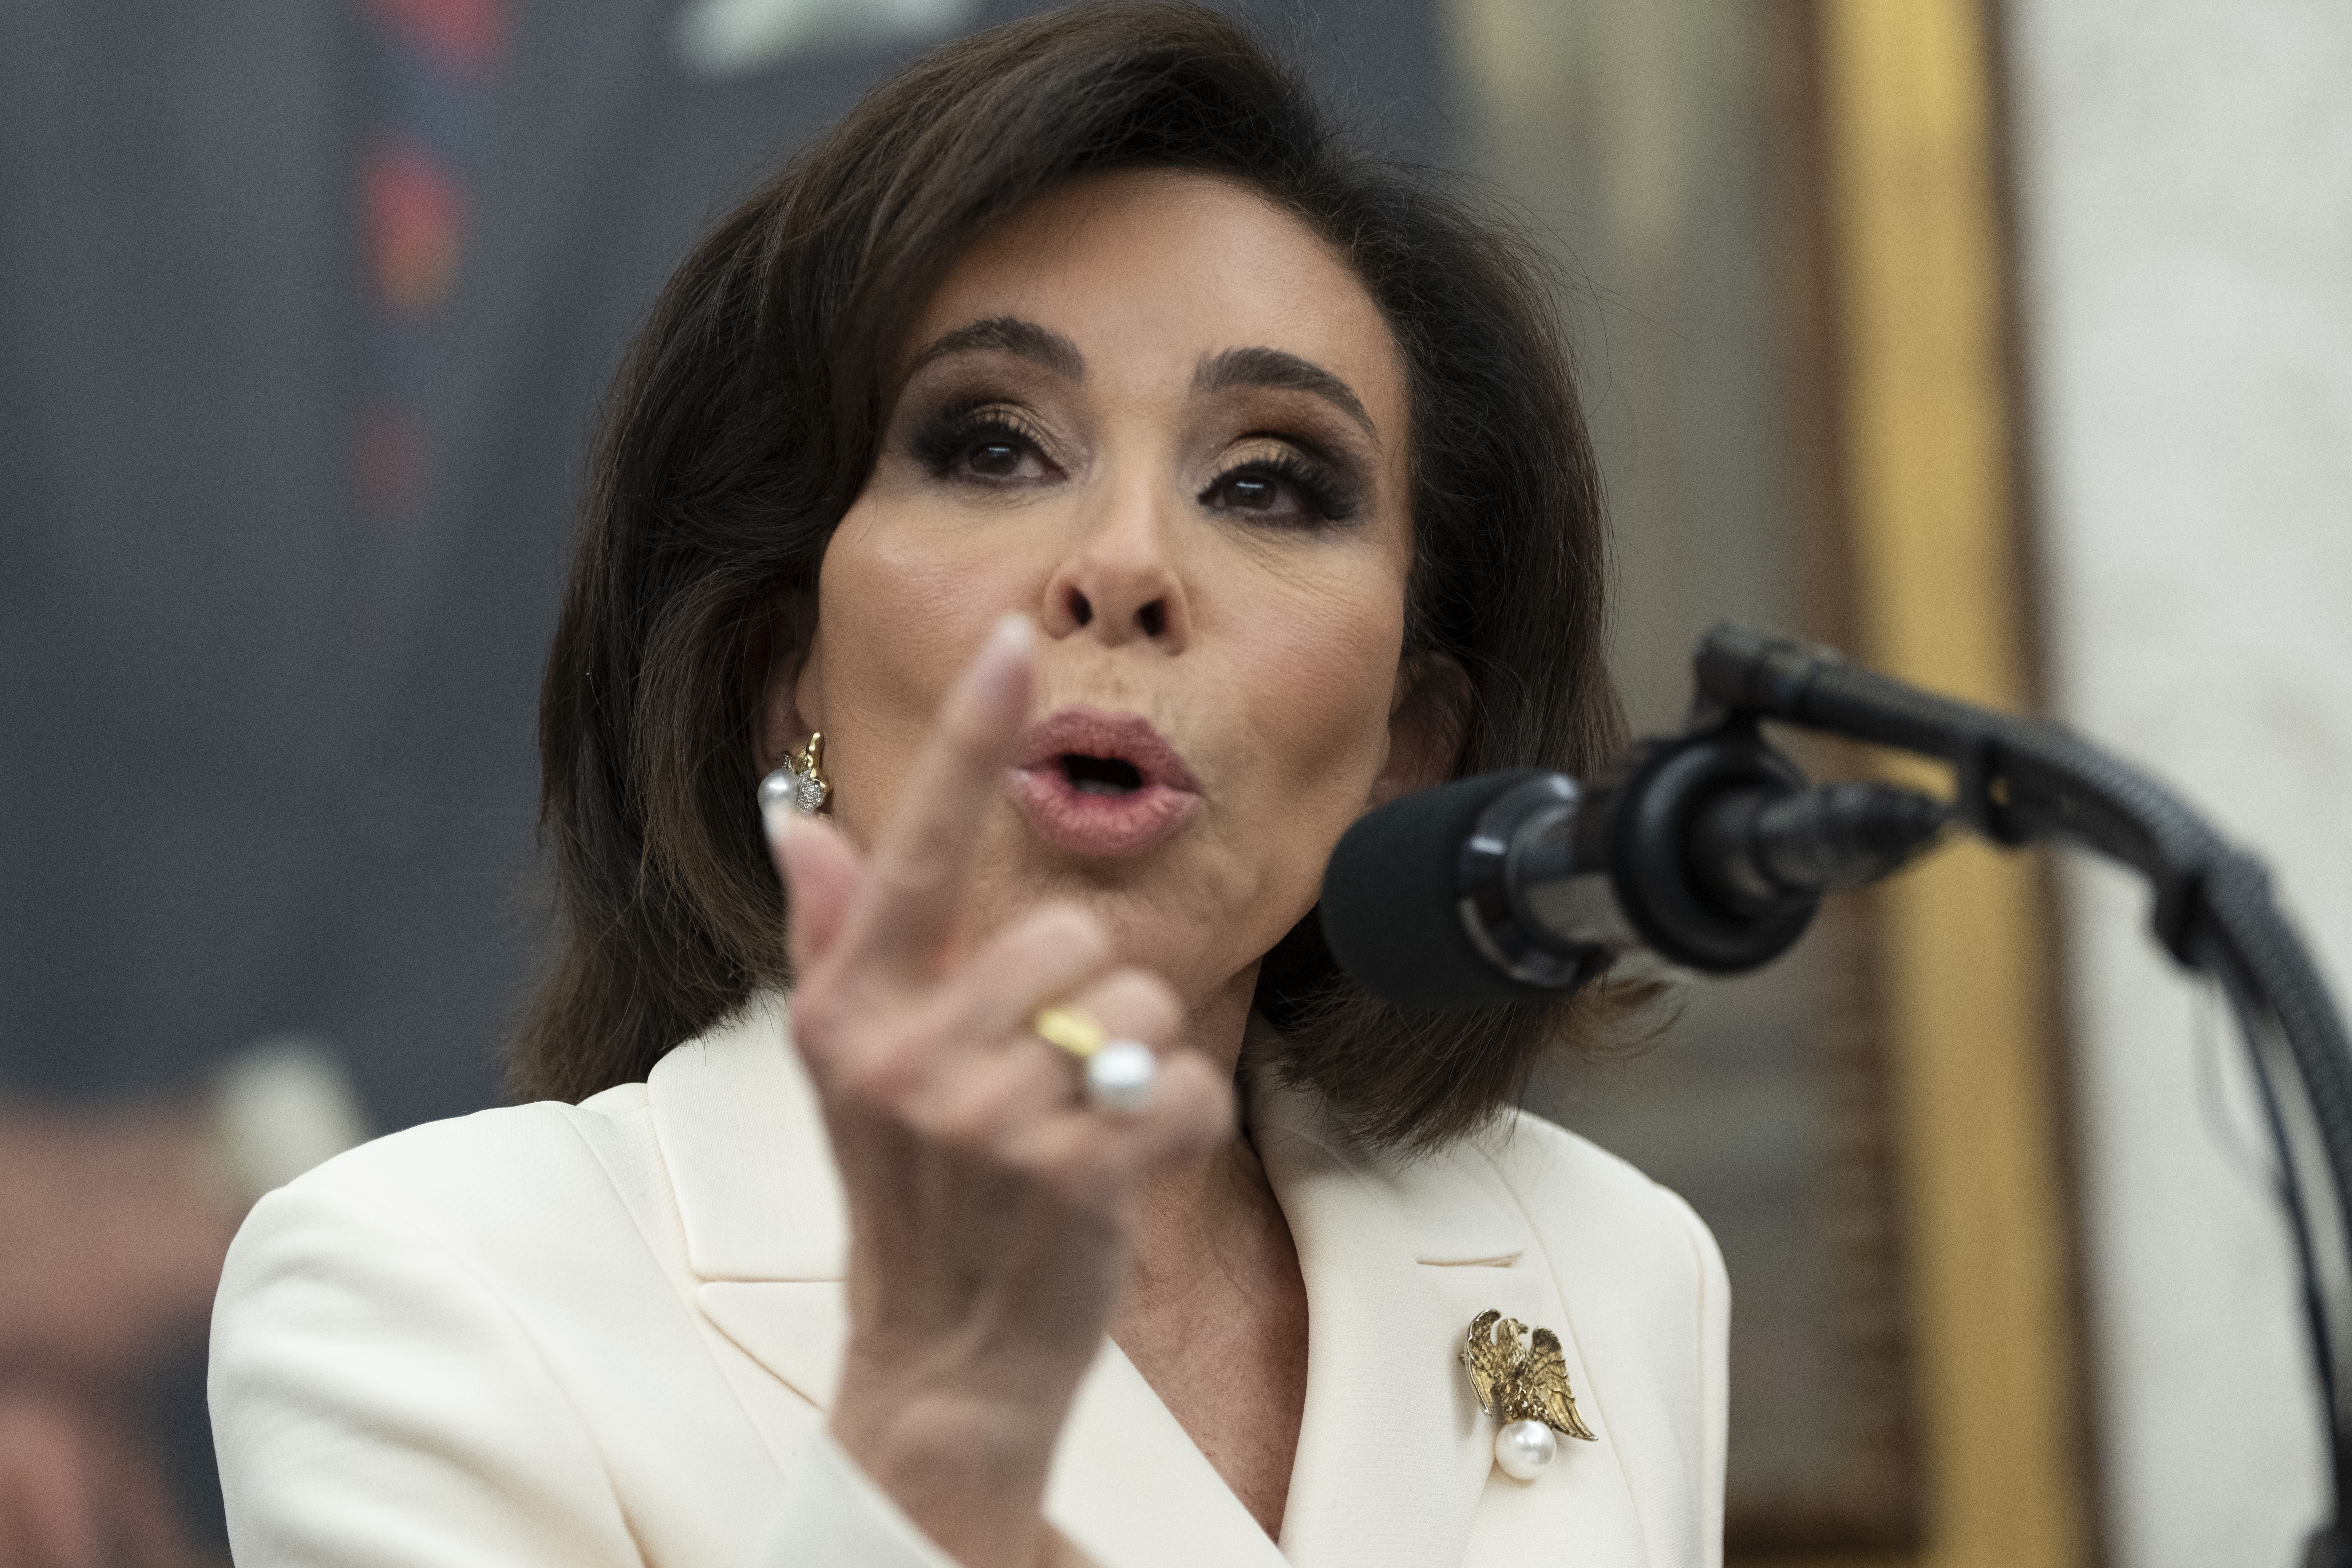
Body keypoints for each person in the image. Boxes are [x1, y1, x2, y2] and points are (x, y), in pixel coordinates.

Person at [208, 5, 1729, 1564]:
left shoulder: (1607, 1266)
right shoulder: (424, 1288)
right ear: (776, 667)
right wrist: (921, 1476)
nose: (1126, 565)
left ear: (1407, 742)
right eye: (992, 447)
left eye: (1267, 483)